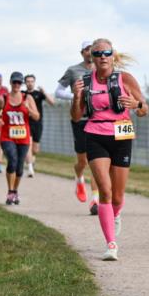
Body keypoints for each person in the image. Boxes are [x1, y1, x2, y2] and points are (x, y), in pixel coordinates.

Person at [71, 38, 148, 261]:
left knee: (117, 195)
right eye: (98, 54)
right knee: (104, 189)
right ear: (91, 58)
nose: (102, 57)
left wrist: (136, 105)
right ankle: (111, 243)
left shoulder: (125, 79)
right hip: (95, 135)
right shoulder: (85, 82)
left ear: (113, 55)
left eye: (106, 52)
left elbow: (145, 109)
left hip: (121, 136)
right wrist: (77, 97)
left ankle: (114, 216)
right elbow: (76, 116)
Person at [56, 41, 100, 214]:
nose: (91, 52)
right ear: (82, 52)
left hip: (97, 119)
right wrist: (75, 95)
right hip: (79, 119)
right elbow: (58, 91)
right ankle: (78, 176)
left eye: (93, 50)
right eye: (88, 49)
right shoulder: (73, 70)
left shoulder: (102, 70)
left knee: (95, 160)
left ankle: (95, 200)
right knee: (83, 161)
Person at [0, 72, 40, 205]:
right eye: (14, 82)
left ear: (22, 84)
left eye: (19, 83)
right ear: (10, 82)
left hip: (23, 137)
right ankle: (10, 191)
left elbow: (37, 116)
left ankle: (15, 191)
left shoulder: (28, 98)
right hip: (7, 136)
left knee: (19, 167)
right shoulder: (3, 98)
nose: (16, 85)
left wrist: (28, 109)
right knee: (12, 160)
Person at [23, 74, 54, 178]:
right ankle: (30, 168)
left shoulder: (38, 94)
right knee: (29, 144)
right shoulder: (23, 94)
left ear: (34, 82)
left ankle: (31, 160)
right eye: (28, 81)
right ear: (25, 83)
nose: (30, 83)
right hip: (26, 122)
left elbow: (52, 102)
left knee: (35, 149)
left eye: (32, 81)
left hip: (37, 122)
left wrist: (44, 92)